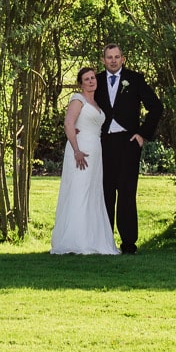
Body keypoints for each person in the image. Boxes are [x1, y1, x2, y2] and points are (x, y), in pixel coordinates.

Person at [92, 42, 162, 254]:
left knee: (127, 193)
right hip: (102, 143)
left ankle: (129, 243)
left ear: (123, 58)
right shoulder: (96, 80)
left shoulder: (135, 79)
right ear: (103, 60)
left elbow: (156, 107)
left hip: (128, 143)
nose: (113, 60)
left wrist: (142, 134)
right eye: (109, 57)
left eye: (116, 57)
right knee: (104, 193)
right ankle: (104, 242)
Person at [50, 67, 118, 255]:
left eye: (93, 78)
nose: (91, 81)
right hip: (81, 151)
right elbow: (68, 123)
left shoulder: (96, 102)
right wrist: (76, 149)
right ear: (80, 83)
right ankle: (76, 240)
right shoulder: (77, 99)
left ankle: (93, 239)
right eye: (86, 79)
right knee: (80, 191)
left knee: (93, 193)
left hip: (96, 151)